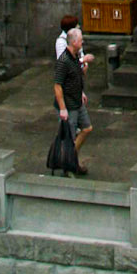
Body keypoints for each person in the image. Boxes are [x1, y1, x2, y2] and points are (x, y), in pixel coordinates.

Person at [53, 27, 91, 177]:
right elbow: (57, 86)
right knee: (70, 137)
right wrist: (62, 108)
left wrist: (81, 92)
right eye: (81, 40)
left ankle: (71, 158)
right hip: (69, 105)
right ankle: (68, 165)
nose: (82, 42)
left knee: (87, 128)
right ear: (74, 42)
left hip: (77, 102)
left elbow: (77, 76)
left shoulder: (76, 57)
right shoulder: (63, 61)